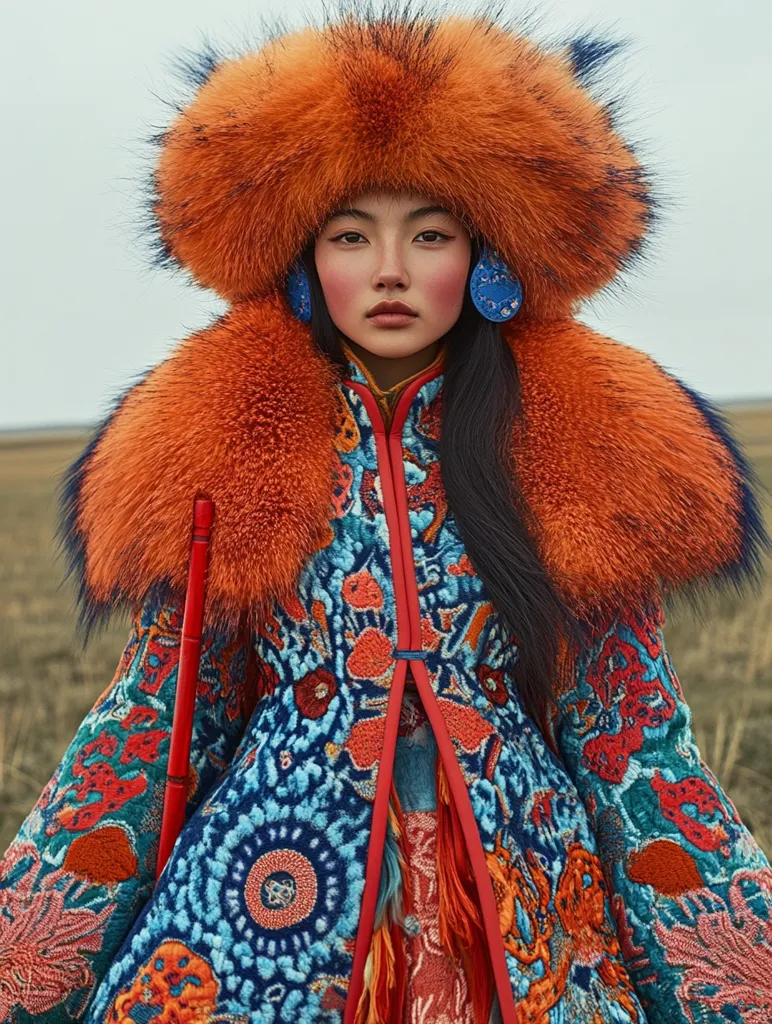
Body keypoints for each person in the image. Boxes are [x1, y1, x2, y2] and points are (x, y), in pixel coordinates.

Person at [2, 2, 771, 1022]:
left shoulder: (575, 445)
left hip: (524, 896)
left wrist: (739, 968)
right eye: (352, 234)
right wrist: (28, 957)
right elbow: (152, 724)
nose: (392, 269)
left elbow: (630, 736)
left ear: (485, 256)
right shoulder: (220, 446)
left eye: (431, 232)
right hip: (262, 903)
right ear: (305, 262)